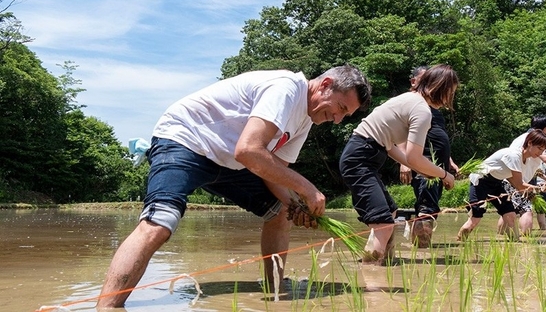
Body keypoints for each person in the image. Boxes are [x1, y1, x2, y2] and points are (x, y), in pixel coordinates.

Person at [96, 65, 371, 308]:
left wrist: (293, 205)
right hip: (186, 140)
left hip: (229, 161)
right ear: (324, 86)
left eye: (344, 116)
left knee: (280, 214)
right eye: (341, 109)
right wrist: (308, 189)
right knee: (160, 222)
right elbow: (249, 150)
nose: (337, 119)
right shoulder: (286, 89)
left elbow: (273, 169)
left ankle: (274, 291)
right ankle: (106, 306)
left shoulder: (304, 121)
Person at [340, 64, 458, 264]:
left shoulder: (410, 101)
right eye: (451, 92)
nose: (450, 99)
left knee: (389, 212)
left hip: (364, 155)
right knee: (384, 223)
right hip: (361, 158)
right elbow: (414, 157)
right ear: (441, 89)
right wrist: (444, 174)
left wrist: (422, 170)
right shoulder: (422, 110)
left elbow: (390, 147)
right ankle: (372, 277)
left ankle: (382, 263)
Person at [457, 130, 546, 241]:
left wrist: (535, 191)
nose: (540, 153)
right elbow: (520, 185)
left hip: (496, 183)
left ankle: (516, 243)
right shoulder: (514, 155)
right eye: (539, 148)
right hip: (481, 180)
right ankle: (460, 242)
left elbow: (514, 181)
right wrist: (543, 188)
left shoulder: (527, 160)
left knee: (511, 215)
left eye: (543, 150)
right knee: (475, 219)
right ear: (529, 143)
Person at [398, 66, 459, 248]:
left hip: (438, 165)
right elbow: (401, 133)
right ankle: (422, 253)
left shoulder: (433, 108)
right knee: (427, 206)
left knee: (429, 204)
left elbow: (437, 136)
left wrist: (449, 161)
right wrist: (404, 163)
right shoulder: (412, 103)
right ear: (414, 81)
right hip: (423, 162)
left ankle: (419, 249)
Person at [500, 116, 546, 235]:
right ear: (545, 129)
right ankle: (525, 242)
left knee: (509, 210)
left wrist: (545, 178)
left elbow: (536, 165)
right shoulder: (535, 139)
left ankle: (500, 237)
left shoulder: (523, 137)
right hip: (518, 180)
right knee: (527, 210)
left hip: (511, 178)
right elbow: (545, 159)